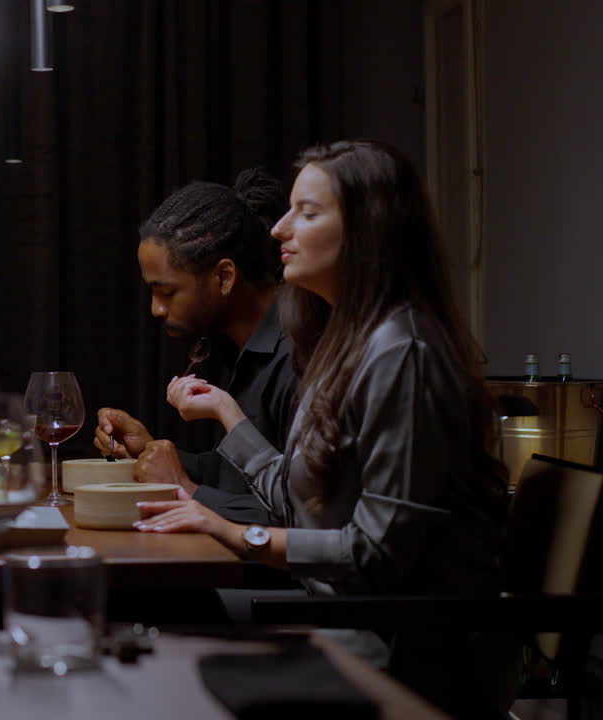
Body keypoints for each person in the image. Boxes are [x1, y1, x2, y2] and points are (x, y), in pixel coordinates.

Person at [148, 139, 514, 715]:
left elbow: (376, 558)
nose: (278, 229)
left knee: (158, 644)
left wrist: (236, 533)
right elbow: (303, 504)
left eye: (309, 212)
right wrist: (228, 413)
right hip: (341, 615)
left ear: (370, 231)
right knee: (149, 635)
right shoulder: (344, 341)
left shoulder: (403, 352)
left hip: (398, 646)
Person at [94, 169, 297, 524]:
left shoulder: (300, 355)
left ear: (224, 277)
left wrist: (185, 490)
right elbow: (246, 476)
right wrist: (154, 451)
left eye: (167, 292)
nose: (156, 309)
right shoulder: (234, 347)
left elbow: (300, 516)